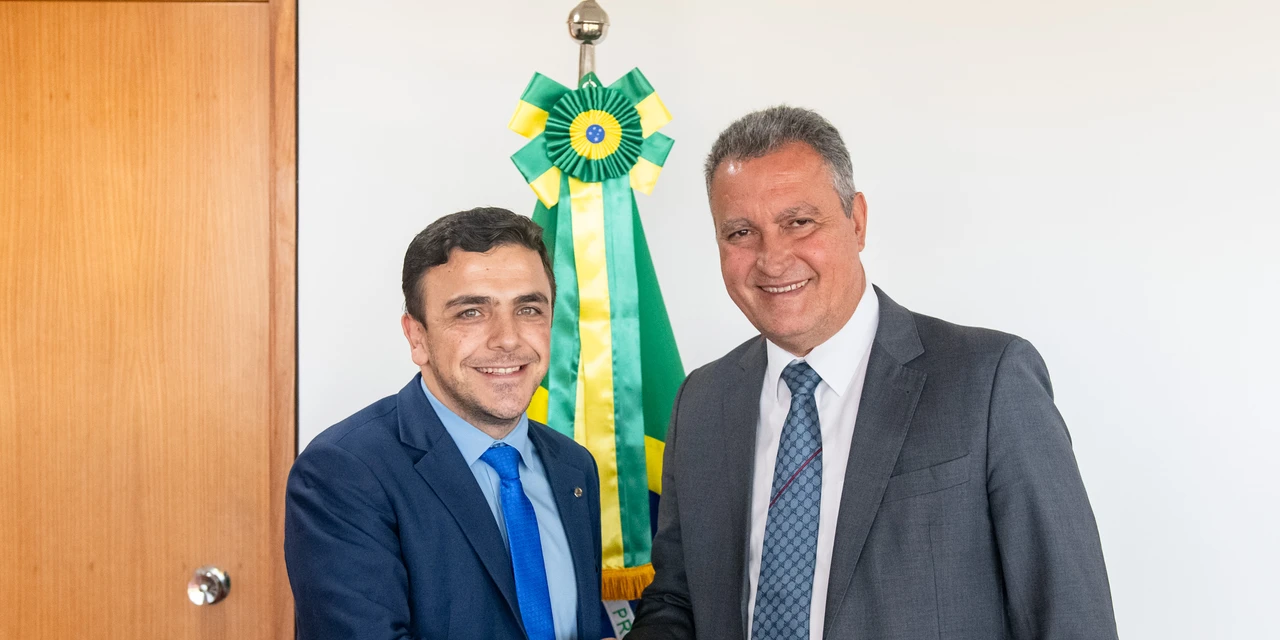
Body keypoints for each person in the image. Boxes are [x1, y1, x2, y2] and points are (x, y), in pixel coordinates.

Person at [629, 107, 1118, 640]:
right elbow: (678, 601)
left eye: (798, 222)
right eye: (741, 232)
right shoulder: (701, 401)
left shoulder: (989, 381)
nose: (771, 258)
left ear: (857, 221)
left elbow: (1068, 614)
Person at [285, 207, 604, 640]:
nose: (508, 338)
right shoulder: (344, 473)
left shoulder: (574, 466)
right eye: (471, 312)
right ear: (417, 337)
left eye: (529, 309)